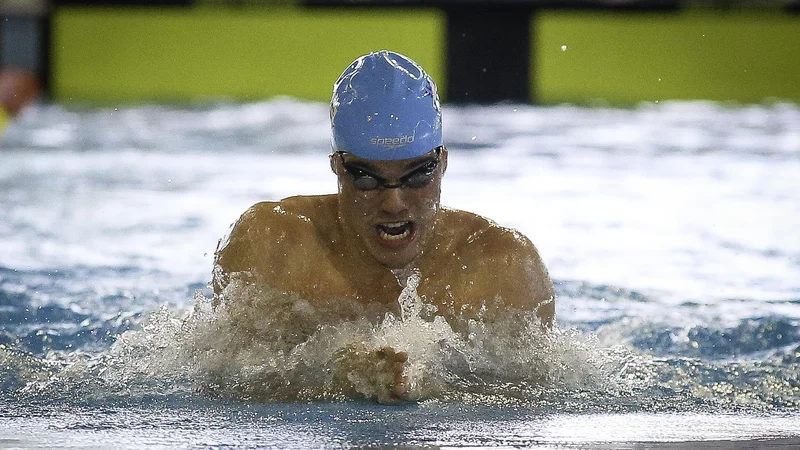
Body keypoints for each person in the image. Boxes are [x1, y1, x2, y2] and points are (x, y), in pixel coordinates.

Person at [212, 50, 554, 403]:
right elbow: (221, 381)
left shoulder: (504, 266)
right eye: (366, 178)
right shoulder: (273, 243)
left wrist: (432, 385)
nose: (394, 203)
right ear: (337, 168)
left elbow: (539, 396)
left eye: (417, 174)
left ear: (443, 163)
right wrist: (338, 373)